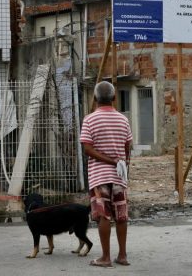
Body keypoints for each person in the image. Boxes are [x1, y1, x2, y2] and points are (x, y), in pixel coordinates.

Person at [80, 81, 132, 267]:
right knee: (121, 215)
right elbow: (127, 147)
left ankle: (106, 257)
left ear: (95, 98)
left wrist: (109, 161)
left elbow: (87, 149)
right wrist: (123, 164)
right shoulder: (123, 119)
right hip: (119, 175)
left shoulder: (89, 119)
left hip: (99, 175)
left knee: (104, 216)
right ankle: (123, 256)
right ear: (114, 98)